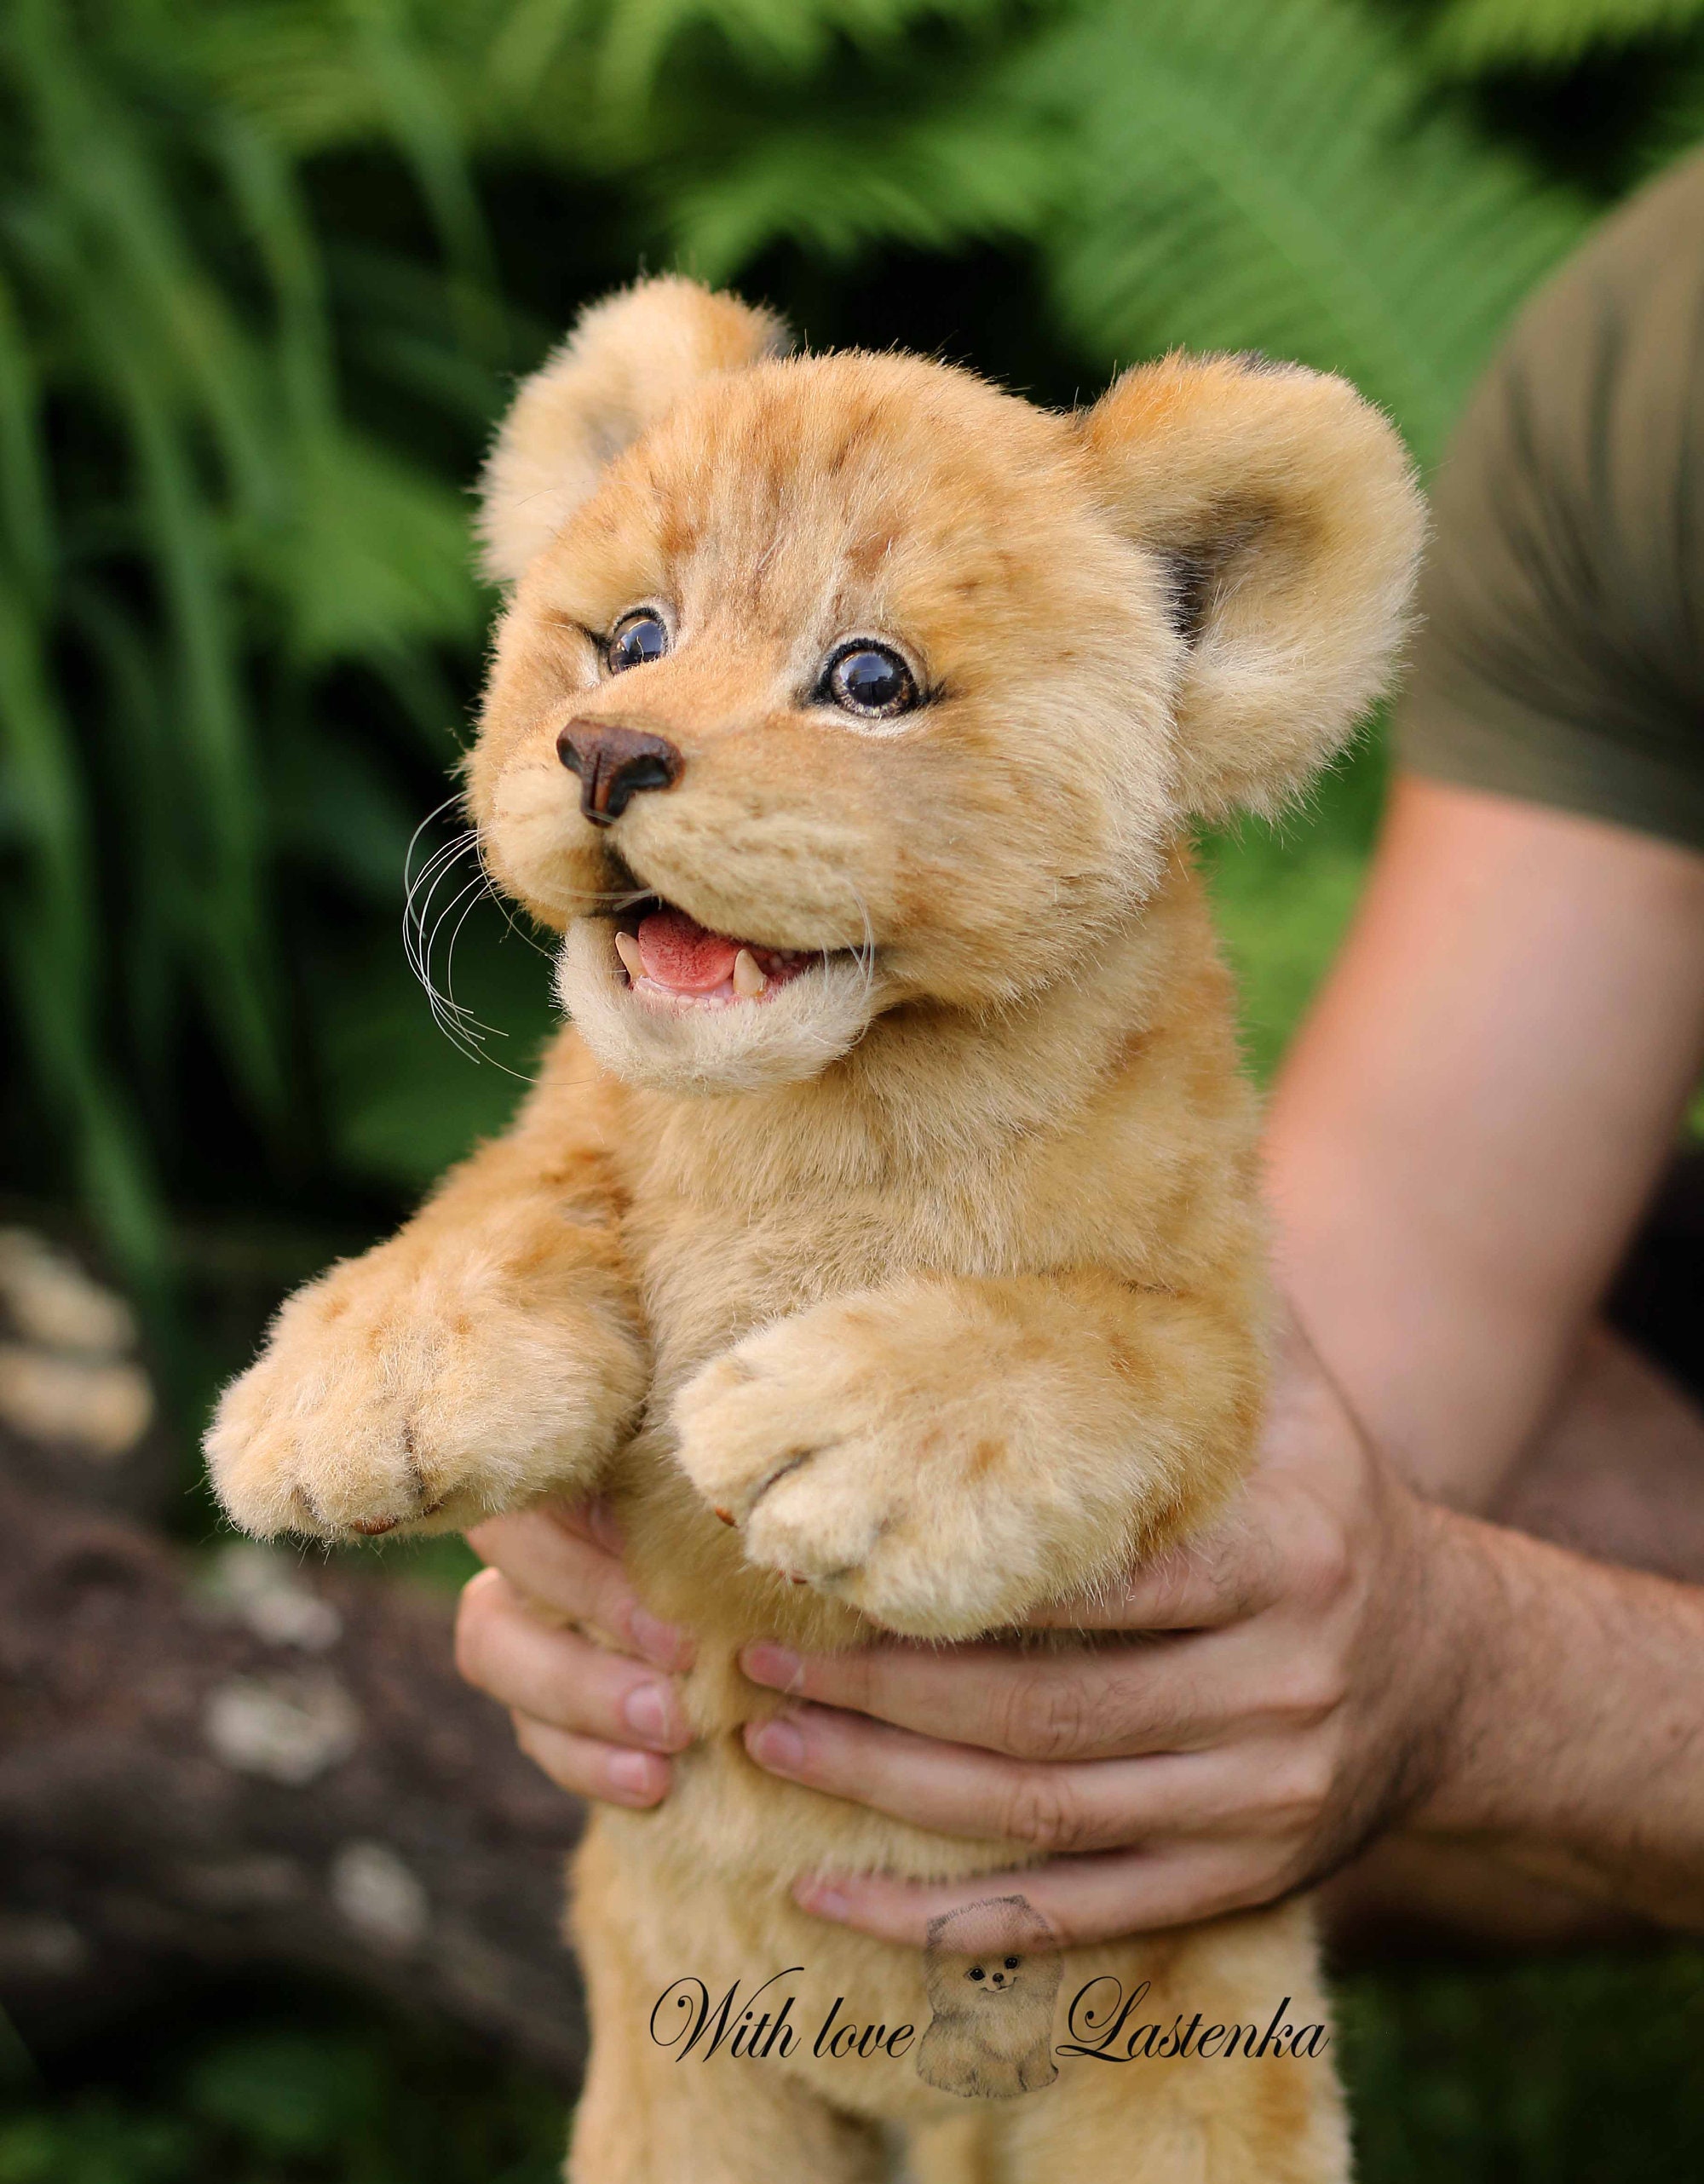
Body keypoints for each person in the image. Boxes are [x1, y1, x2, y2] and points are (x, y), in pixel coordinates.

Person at [455, 153, 1704, 1958]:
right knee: (1157, 1640)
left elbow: (1458, 1659)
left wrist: (1497, 1684)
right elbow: (1381, 1334)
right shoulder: (1645, 370)